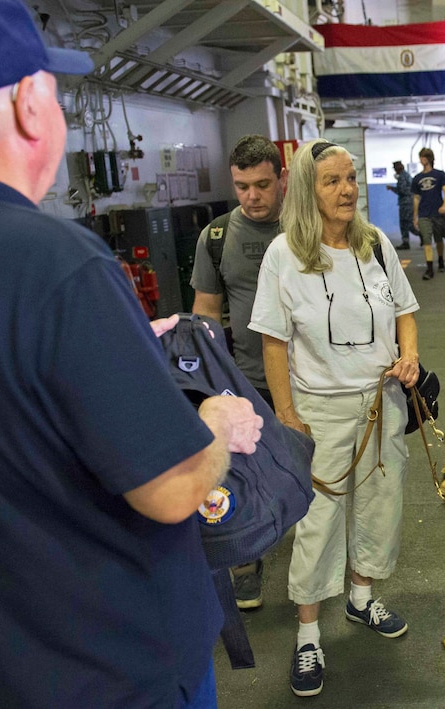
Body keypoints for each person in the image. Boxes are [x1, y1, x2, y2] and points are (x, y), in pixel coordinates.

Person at [0, 0, 264, 707]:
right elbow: (173, 489)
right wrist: (217, 425)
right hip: (102, 667)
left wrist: (101, 352)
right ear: (29, 104)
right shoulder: (53, 262)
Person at [250, 139, 421, 699]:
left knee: (379, 505)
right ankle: (307, 635)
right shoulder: (284, 253)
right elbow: (273, 342)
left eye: (350, 178)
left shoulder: (374, 244)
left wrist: (410, 354)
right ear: (308, 189)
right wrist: (286, 415)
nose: (347, 189)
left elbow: (404, 309)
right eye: (332, 181)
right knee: (318, 523)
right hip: (318, 410)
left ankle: (362, 598)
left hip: (381, 402)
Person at [190, 134, 285, 610]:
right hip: (245, 376)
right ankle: (246, 560)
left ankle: (317, 555)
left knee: (313, 465)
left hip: (310, 377)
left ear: (282, 179)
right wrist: (211, 382)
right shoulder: (217, 237)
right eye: (242, 186)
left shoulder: (310, 228)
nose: (252, 197)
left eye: (262, 185)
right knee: (242, 472)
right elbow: (206, 312)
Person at [411, 146, 445, 279]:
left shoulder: (439, 175)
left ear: (429, 159)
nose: (422, 160)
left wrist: (444, 206)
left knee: (439, 239)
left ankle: (440, 259)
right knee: (426, 241)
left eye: (424, 157)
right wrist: (415, 216)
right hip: (424, 214)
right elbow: (416, 198)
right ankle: (429, 269)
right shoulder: (417, 178)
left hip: (437, 212)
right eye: (421, 157)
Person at [385, 159, 415, 249]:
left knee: (404, 223)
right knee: (409, 222)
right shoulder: (406, 175)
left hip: (405, 203)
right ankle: (420, 235)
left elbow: (401, 190)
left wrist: (391, 188)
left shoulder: (402, 177)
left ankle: (407, 242)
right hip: (410, 202)